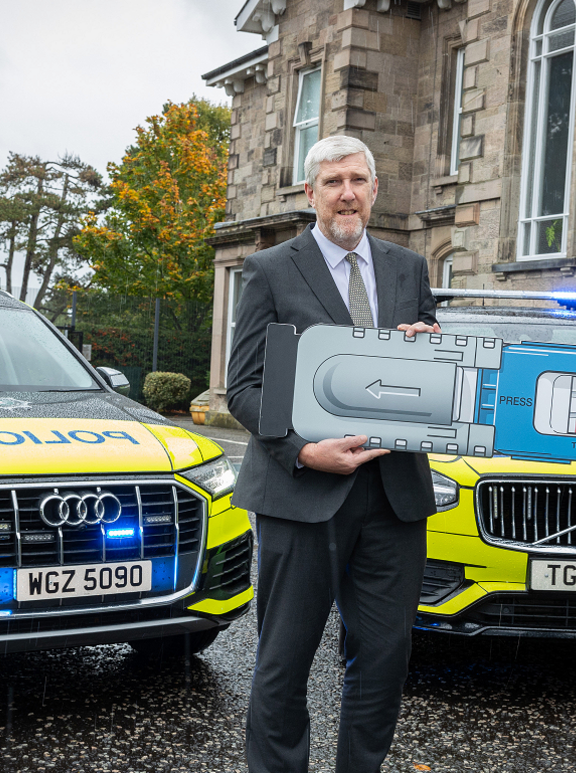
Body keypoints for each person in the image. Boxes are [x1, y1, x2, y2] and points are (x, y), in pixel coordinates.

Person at [226, 135, 440, 773]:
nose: (346, 193)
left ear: (374, 190)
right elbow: (243, 387)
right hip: (302, 494)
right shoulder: (271, 270)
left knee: (382, 660)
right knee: (284, 661)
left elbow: (430, 379)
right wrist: (300, 452)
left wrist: (429, 348)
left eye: (356, 180)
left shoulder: (408, 268)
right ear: (311, 194)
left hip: (394, 495)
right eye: (331, 182)